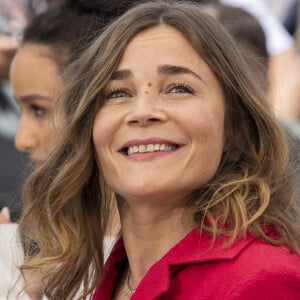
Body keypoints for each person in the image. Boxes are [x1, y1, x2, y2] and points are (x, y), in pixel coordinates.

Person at [18, 1, 300, 299]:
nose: (142, 111)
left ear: (235, 126)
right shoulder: (112, 270)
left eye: (179, 88)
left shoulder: (262, 281)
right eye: (118, 93)